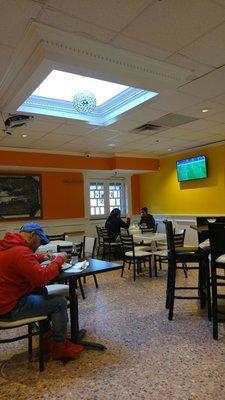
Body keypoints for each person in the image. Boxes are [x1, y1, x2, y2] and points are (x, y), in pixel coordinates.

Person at [0, 222, 84, 360]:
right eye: (39, 242)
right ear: (33, 236)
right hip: (10, 308)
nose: (39, 246)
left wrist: (41, 257)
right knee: (59, 302)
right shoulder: (21, 252)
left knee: (41, 291)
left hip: (4, 302)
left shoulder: (8, 246)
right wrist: (58, 260)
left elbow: (22, 261)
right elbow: (41, 277)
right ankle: (59, 346)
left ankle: (46, 337)